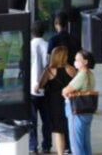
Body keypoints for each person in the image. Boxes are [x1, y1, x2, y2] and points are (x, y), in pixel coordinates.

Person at [38, 46, 75, 155]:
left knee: (58, 131)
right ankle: (71, 149)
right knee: (69, 126)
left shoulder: (49, 71)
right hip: (69, 101)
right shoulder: (71, 69)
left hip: (54, 103)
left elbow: (40, 84)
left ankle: (60, 153)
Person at [62, 50, 97, 155]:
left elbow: (65, 91)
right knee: (85, 142)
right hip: (87, 112)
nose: (75, 62)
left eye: (77, 60)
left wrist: (64, 91)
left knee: (76, 144)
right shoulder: (90, 74)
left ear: (85, 62)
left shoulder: (82, 75)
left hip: (76, 112)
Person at [29, 21, 52, 154]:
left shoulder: (28, 46)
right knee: (46, 120)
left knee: (32, 121)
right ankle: (46, 145)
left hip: (30, 89)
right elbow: (48, 67)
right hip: (44, 88)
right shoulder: (47, 45)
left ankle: (33, 147)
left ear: (31, 32)